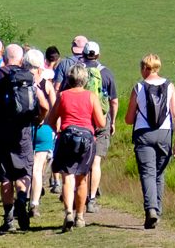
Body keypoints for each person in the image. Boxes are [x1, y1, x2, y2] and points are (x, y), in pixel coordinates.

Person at [0, 44, 40, 234]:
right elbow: (45, 105)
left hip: (0, 132)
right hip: (23, 132)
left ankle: (8, 219)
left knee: (6, 176)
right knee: (24, 170)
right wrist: (38, 120)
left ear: (4, 57)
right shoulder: (28, 76)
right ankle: (22, 199)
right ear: (21, 58)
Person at [124, 54, 175, 229]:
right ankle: (157, 210)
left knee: (147, 173)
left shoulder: (139, 87)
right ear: (158, 68)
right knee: (159, 173)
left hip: (144, 134)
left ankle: (151, 210)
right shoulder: (169, 86)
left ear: (144, 69)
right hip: (165, 134)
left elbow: (128, 119)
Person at [48, 65, 107, 231]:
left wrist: (59, 131)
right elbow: (101, 123)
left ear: (69, 79)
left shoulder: (62, 96)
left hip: (66, 137)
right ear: (85, 80)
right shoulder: (91, 96)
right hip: (87, 141)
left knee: (68, 178)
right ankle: (80, 216)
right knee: (82, 180)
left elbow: (51, 120)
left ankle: (68, 212)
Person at [80, 42, 117, 213]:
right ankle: (91, 199)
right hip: (101, 119)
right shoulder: (106, 73)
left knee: (81, 159)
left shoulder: (76, 71)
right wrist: (113, 121)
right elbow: (114, 101)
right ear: (98, 55)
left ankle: (79, 194)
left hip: (81, 120)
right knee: (96, 161)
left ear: (84, 54)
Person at [25, 49, 57, 215]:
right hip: (43, 128)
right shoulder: (47, 84)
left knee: (24, 168)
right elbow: (54, 108)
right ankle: (35, 203)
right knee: (37, 168)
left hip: (24, 127)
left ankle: (22, 198)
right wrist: (55, 128)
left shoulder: (20, 82)